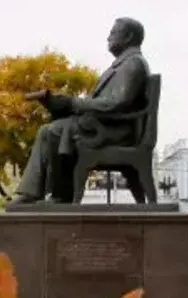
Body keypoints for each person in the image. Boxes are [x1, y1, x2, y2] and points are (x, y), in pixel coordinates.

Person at [11, 17, 151, 204]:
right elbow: (105, 102)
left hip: (117, 131)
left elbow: (118, 103)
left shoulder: (134, 63)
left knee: (55, 131)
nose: (108, 37)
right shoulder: (122, 64)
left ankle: (61, 195)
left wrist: (72, 103)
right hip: (104, 125)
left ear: (129, 36)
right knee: (47, 130)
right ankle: (31, 193)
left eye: (113, 32)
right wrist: (59, 104)